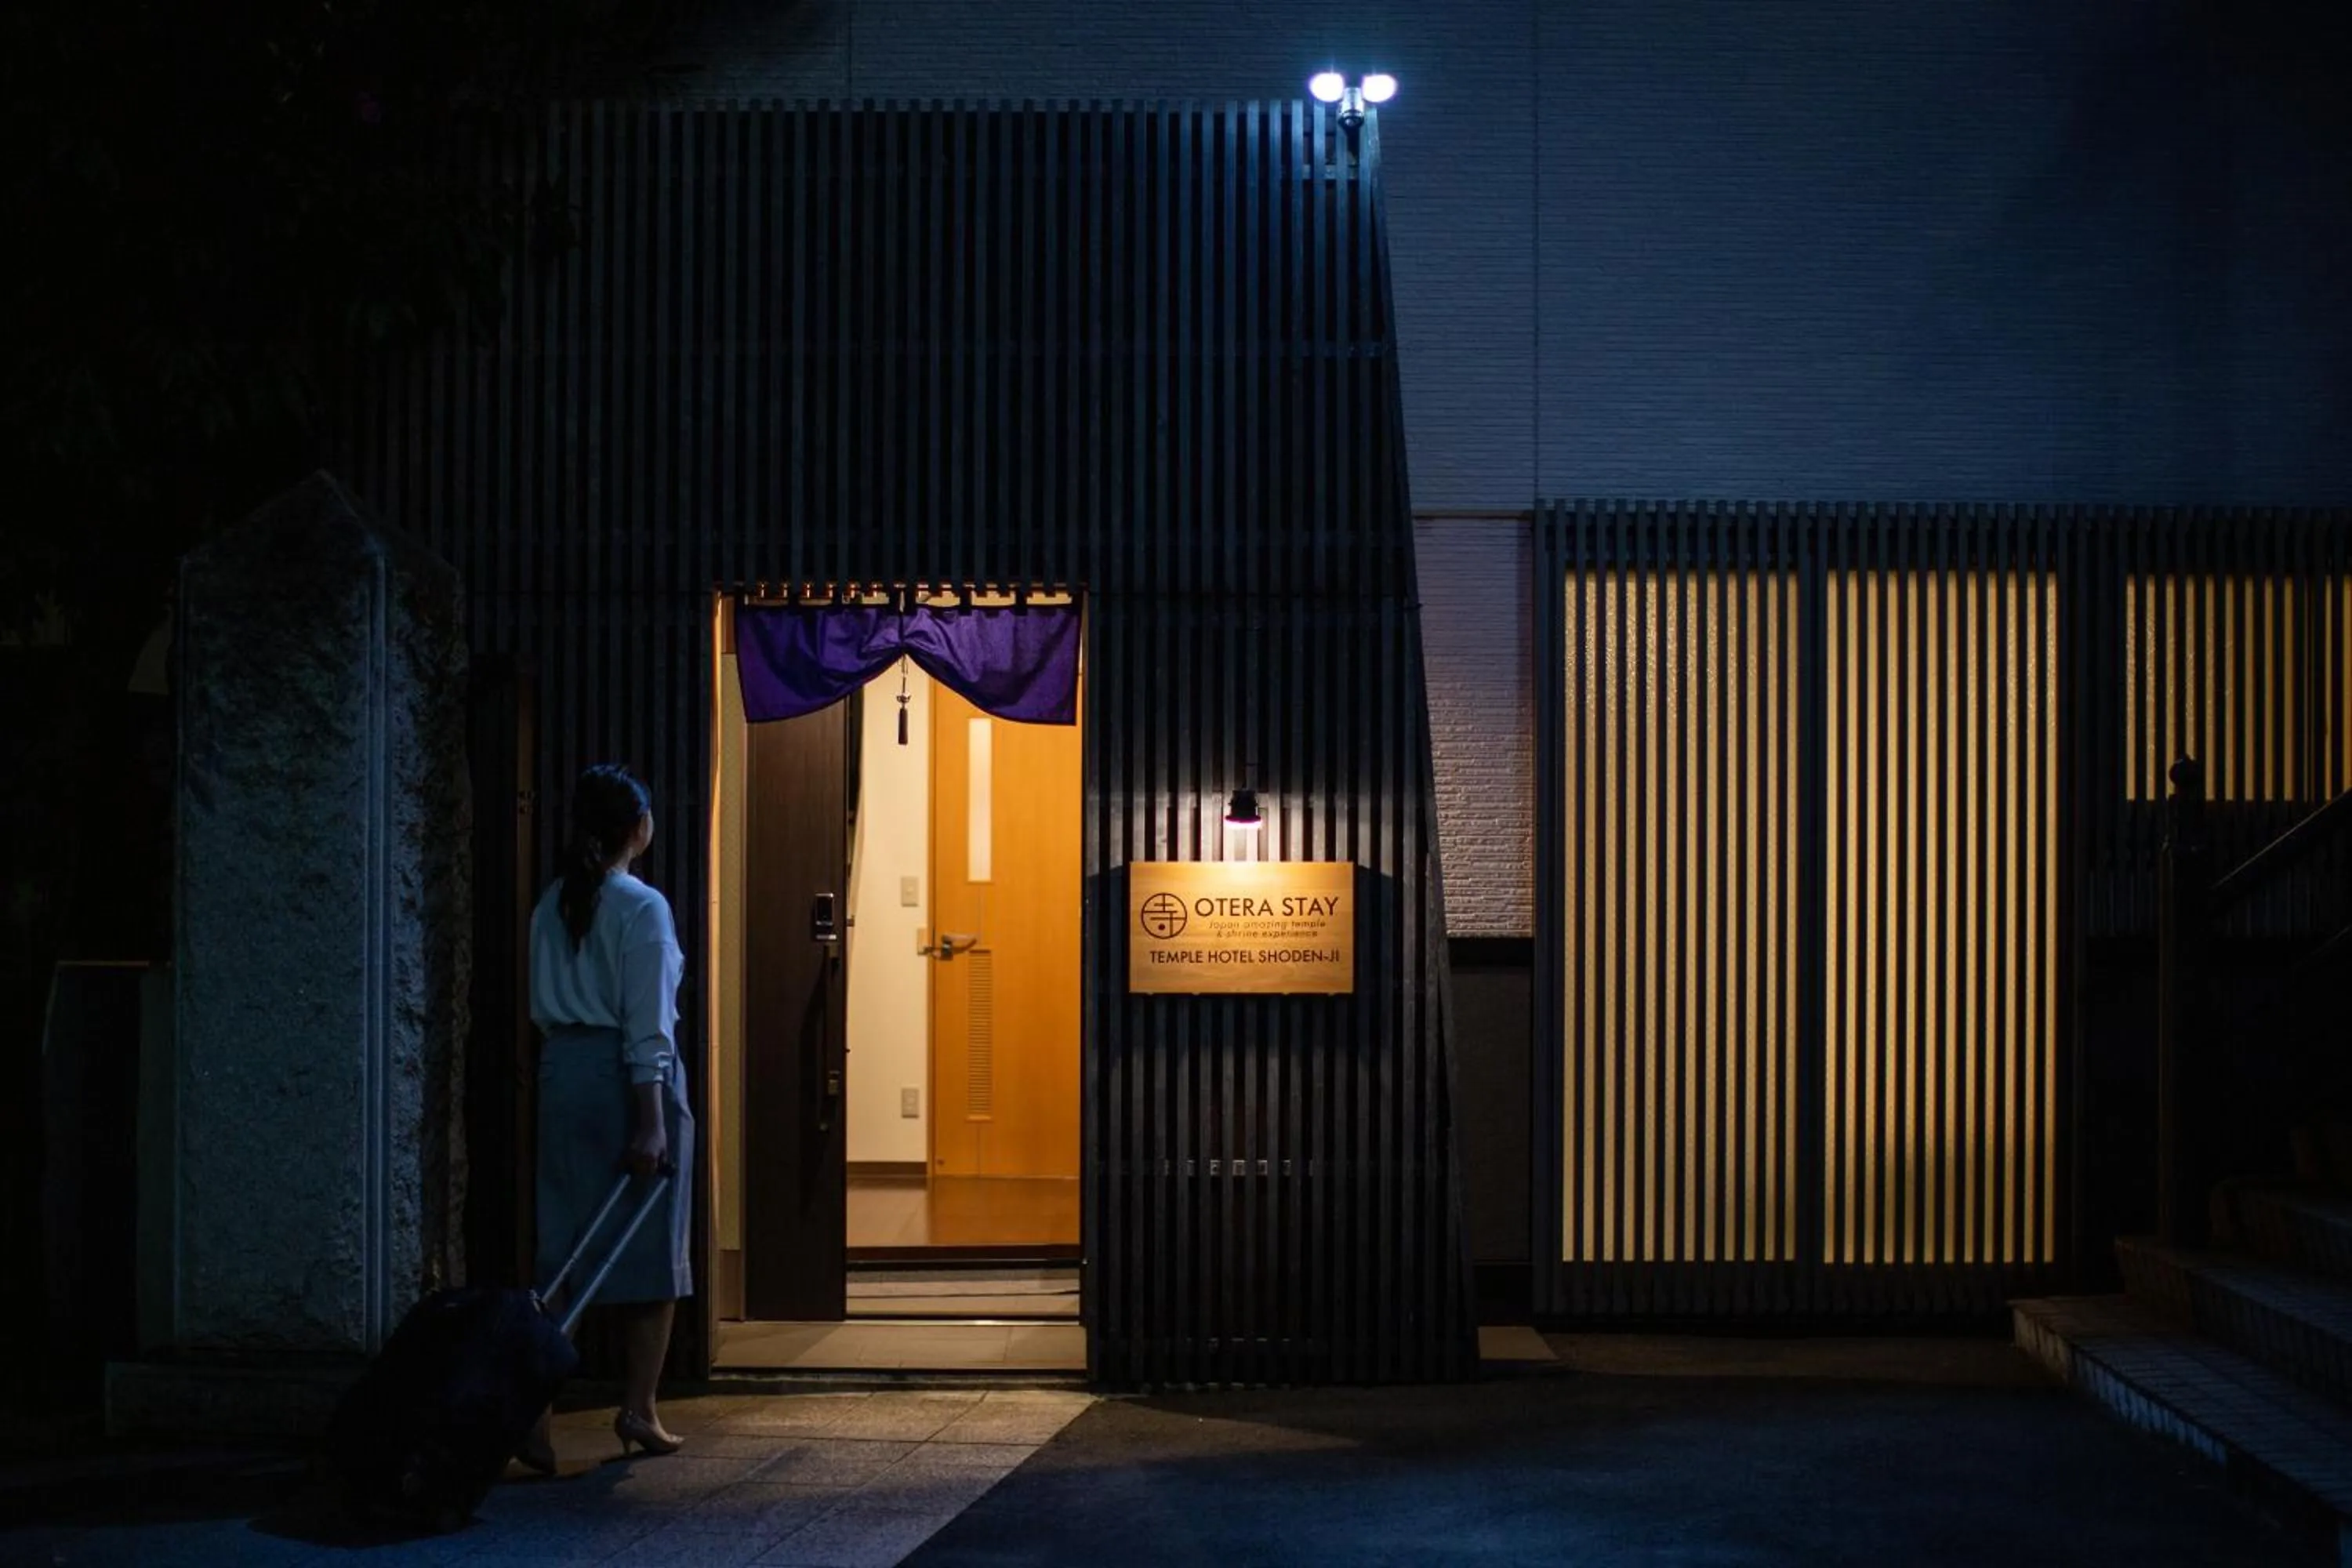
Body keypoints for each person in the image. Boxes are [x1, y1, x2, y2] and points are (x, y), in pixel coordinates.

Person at [519, 763, 695, 1468]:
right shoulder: (641, 906)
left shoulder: (552, 903)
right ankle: (639, 1409)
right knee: (650, 1252)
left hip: (563, 1075)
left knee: (562, 1250)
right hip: (627, 1082)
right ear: (638, 827)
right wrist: (651, 1117)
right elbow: (648, 1023)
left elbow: (541, 1006)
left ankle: (532, 1415)